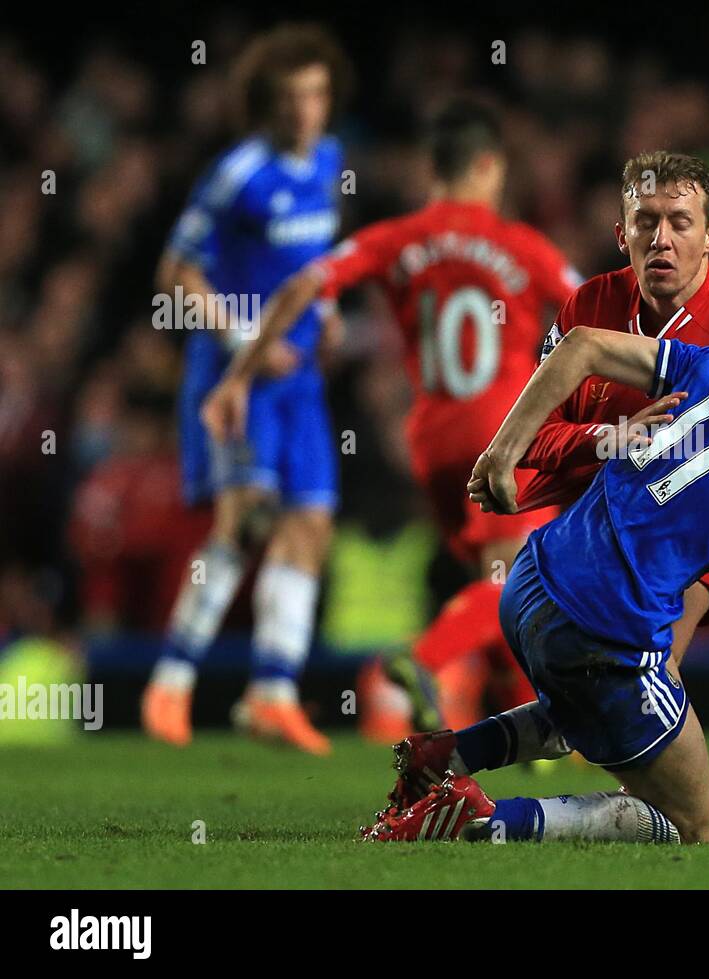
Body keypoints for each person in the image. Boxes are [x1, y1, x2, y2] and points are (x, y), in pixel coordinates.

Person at [363, 286, 709, 845]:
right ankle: (474, 818)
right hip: (605, 630)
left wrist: (502, 452)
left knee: (589, 711)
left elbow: (583, 344)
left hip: (531, 579)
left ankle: (445, 755)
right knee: (693, 824)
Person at [203, 98, 581, 741]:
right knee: (515, 581)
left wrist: (238, 375)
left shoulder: (398, 238)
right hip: (507, 433)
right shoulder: (523, 246)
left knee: (496, 590)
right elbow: (591, 315)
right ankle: (418, 659)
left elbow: (304, 285)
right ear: (489, 167)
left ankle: (546, 734)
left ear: (432, 169)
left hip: (431, 442)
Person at [141, 24, 352, 754]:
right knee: (246, 519)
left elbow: (311, 260)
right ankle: (170, 679)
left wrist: (324, 316)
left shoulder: (329, 161)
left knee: (313, 523)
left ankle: (272, 692)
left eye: (317, 94)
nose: (307, 111)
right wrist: (242, 339)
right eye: (292, 98)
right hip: (238, 377)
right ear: (268, 103)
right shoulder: (238, 171)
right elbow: (176, 269)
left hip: (301, 381)